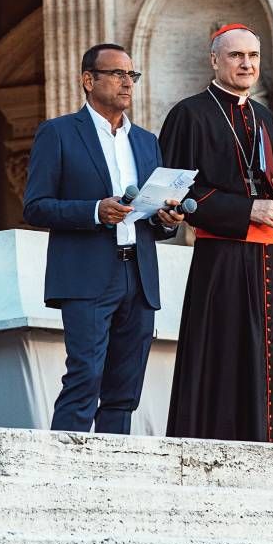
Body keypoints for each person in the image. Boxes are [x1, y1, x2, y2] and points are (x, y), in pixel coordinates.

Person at [160, 23, 273, 444]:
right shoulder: (188, 114)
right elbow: (177, 190)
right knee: (226, 359)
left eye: (253, 56)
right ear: (214, 60)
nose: (247, 64)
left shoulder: (263, 116)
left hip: (272, 260)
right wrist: (249, 209)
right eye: (236, 56)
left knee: (270, 358)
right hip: (222, 262)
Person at [23, 43, 182, 434]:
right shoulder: (58, 133)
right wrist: (95, 210)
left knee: (124, 391)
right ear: (88, 80)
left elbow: (154, 218)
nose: (127, 83)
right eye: (117, 74)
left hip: (139, 275)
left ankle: (116, 478)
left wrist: (168, 219)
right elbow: (36, 206)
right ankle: (63, 476)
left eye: (132, 75)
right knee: (84, 379)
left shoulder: (146, 141)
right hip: (87, 275)